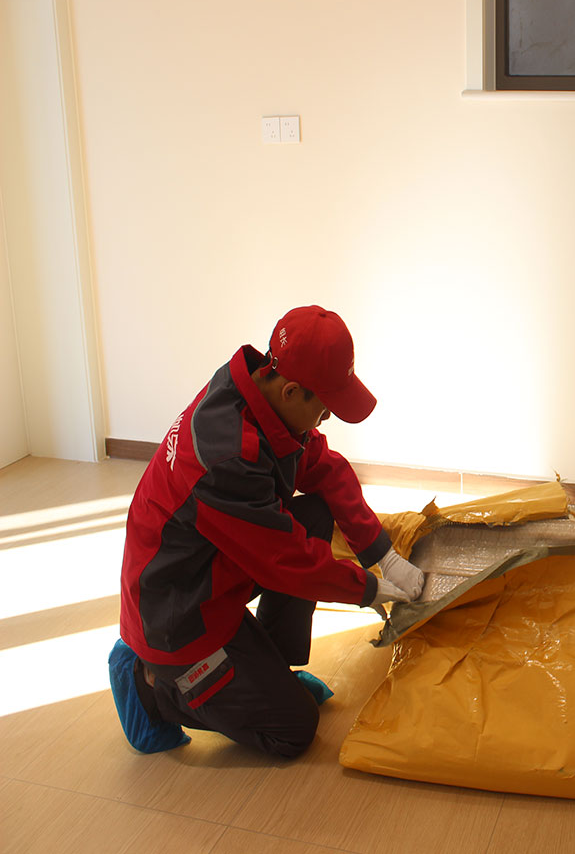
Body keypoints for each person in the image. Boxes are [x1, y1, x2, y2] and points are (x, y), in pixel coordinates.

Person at [108, 305, 425, 756]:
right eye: (325, 409)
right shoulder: (227, 457)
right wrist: (367, 589)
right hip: (176, 616)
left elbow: (324, 468)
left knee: (315, 515)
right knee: (294, 729)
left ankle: (270, 671)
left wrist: (382, 554)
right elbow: (286, 561)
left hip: (206, 569)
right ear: (292, 391)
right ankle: (151, 686)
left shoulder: (253, 392)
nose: (325, 420)